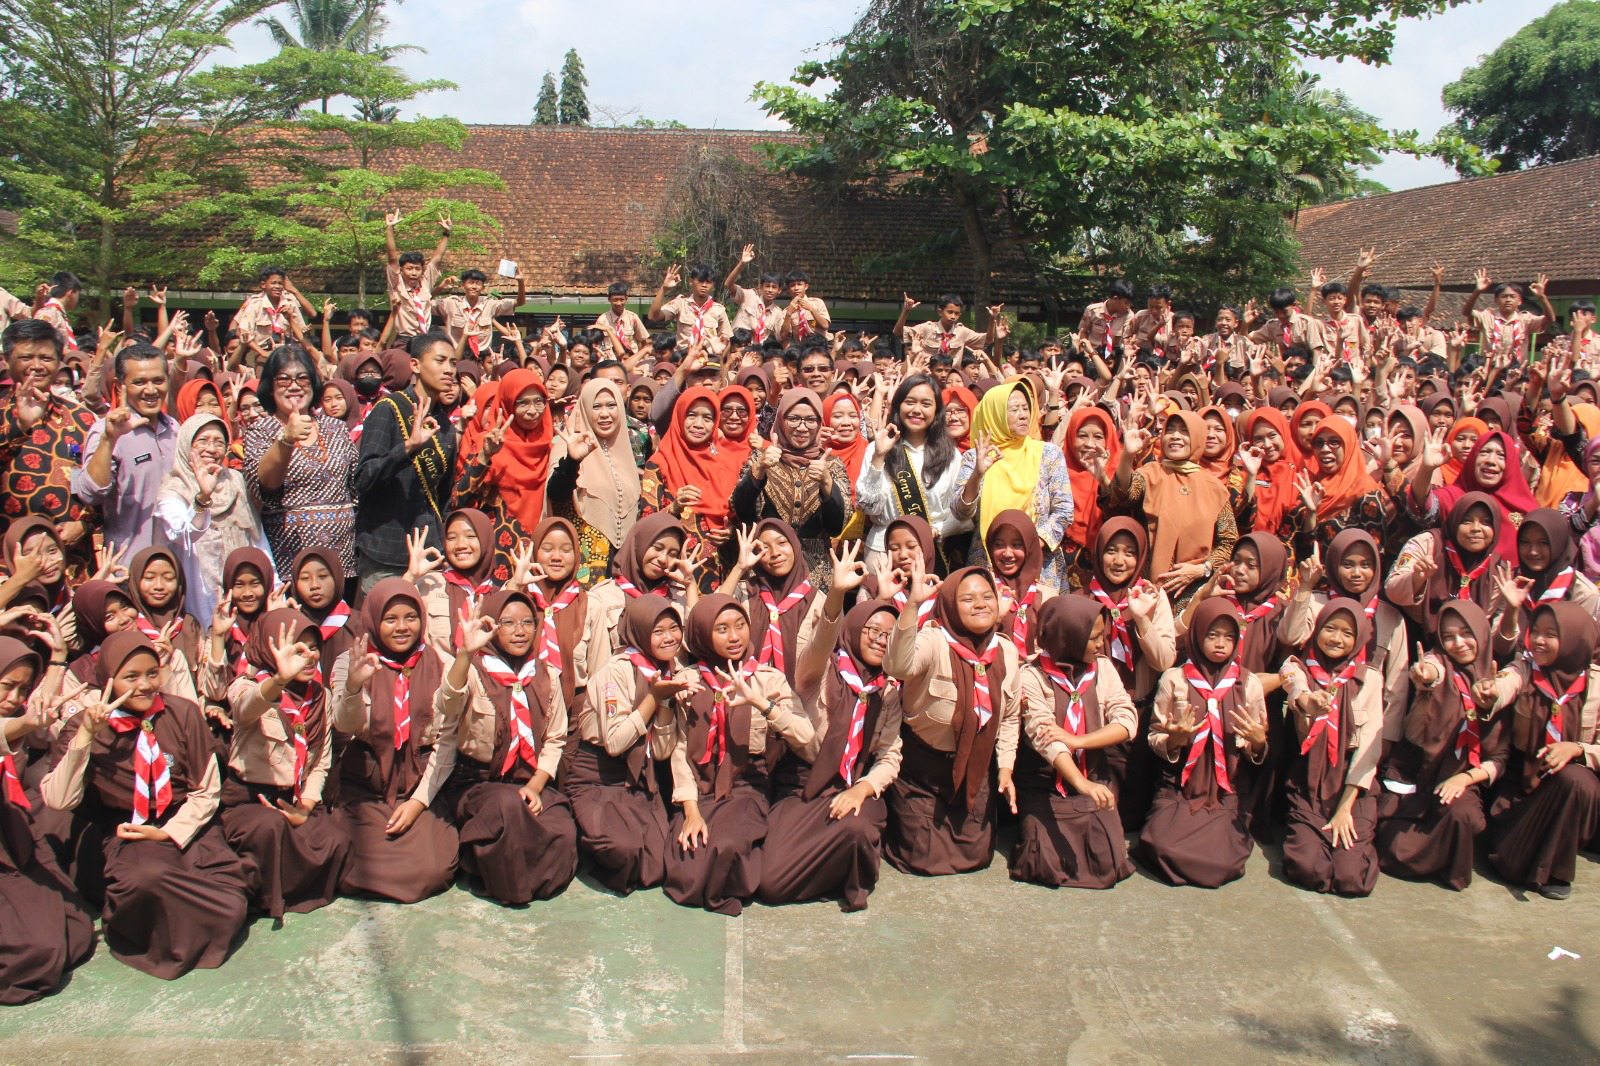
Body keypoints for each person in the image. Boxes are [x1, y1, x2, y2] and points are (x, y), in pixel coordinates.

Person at [41, 631, 251, 978]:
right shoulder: (85, 725)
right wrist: (84, 738)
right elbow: (58, 799)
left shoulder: (181, 713)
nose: (145, 685)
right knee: (147, 878)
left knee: (229, 905)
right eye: (131, 677)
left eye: (152, 673)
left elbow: (206, 788)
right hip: (126, 830)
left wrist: (168, 833)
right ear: (108, 679)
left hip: (185, 824)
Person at [664, 594, 815, 916]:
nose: (734, 637)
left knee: (727, 846)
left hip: (746, 785)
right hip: (700, 787)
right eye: (721, 629)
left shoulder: (767, 678)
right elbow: (678, 751)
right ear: (703, 633)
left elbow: (805, 735)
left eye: (740, 626)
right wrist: (690, 811)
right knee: (686, 872)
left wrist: (761, 703)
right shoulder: (687, 682)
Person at [434, 590, 579, 905]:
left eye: (528, 622)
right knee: (508, 809)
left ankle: (530, 877)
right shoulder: (473, 669)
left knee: (562, 829)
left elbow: (555, 738)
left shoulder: (546, 674)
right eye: (509, 623)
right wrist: (463, 654)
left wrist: (537, 786)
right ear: (492, 627)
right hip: (479, 783)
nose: (520, 631)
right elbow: (447, 703)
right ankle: (507, 883)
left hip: (529, 780)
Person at [882, 560, 1021, 875]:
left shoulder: (1007, 652)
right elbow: (897, 667)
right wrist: (913, 606)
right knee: (921, 858)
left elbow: (1010, 718)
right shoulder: (934, 640)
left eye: (987, 596)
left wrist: (1006, 769)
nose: (980, 605)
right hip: (924, 772)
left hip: (975, 769)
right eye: (968, 599)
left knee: (978, 856)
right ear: (949, 605)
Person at [328, 579, 460, 903]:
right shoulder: (352, 661)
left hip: (420, 782)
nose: (402, 628)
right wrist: (355, 686)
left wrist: (417, 804)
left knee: (433, 870)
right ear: (374, 620)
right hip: (367, 783)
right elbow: (345, 724)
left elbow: (448, 739)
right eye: (390, 619)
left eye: (410, 618)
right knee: (347, 862)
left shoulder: (441, 663)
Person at [1376, 602, 1514, 890]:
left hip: (1461, 776)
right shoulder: (1439, 662)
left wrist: (1463, 778)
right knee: (1393, 844)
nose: (1458, 644)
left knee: (1463, 815)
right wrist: (1425, 677)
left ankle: (1443, 858)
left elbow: (1499, 759)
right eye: (1448, 636)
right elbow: (1431, 670)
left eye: (1466, 633)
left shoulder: (1497, 681)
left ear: (1482, 633)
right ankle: (1434, 851)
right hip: (1415, 771)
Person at [223, 609, 351, 918]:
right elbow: (245, 709)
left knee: (336, 839)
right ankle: (264, 896)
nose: (308, 657)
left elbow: (320, 762)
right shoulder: (246, 686)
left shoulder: (321, 695)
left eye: (313, 648)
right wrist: (279, 679)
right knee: (271, 829)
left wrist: (305, 807)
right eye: (298, 649)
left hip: (295, 796)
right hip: (251, 799)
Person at [1138, 599, 1269, 887]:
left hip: (1226, 791)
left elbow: (1256, 744)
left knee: (1221, 861)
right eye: (1212, 635)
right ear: (1197, 635)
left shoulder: (1248, 684)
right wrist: (1174, 739)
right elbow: (1154, 736)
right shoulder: (1175, 679)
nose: (1221, 644)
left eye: (1228, 636)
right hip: (1180, 787)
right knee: (1162, 847)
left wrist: (1258, 743)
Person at [1010, 595, 1137, 889]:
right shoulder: (1032, 675)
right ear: (1069, 635)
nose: (1100, 644)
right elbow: (1044, 737)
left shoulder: (1103, 669)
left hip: (1094, 775)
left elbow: (1126, 720)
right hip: (1045, 784)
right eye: (1092, 638)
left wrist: (1079, 740)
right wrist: (1081, 784)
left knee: (1108, 862)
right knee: (1044, 863)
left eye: (1102, 636)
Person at [0, 636, 96, 1004]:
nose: (14, 697)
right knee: (35, 956)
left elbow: (36, 716)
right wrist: (24, 723)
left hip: (14, 841)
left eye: (22, 689)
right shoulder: (13, 725)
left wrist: (56, 660)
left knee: (77, 931)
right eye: (7, 686)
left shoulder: (15, 717)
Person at [567, 594, 682, 894]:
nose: (669, 638)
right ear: (640, 631)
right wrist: (653, 699)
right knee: (623, 850)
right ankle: (587, 845)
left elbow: (660, 751)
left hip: (642, 780)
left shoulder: (670, 671)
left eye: (674, 628)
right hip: (598, 778)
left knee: (658, 867)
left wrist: (667, 702)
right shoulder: (615, 671)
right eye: (658, 631)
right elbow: (616, 743)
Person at [1487, 602, 1600, 900]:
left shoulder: (1595, 684)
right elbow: (1505, 684)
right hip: (1519, 794)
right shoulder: (1526, 669)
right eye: (1535, 631)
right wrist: (1490, 694)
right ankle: (1517, 856)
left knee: (1579, 780)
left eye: (1551, 634)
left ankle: (1556, 871)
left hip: (1567, 797)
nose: (1538, 640)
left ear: (1577, 639)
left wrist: (1577, 748)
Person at [1278, 599, 1382, 896]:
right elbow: (1293, 685)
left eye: (1348, 633)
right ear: (1317, 629)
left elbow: (1369, 749)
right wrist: (1309, 701)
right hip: (1310, 778)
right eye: (1330, 629)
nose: (1337, 639)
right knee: (1309, 868)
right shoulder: (1297, 666)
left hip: (1351, 784)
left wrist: (1345, 809)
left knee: (1351, 878)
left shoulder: (1370, 679)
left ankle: (1355, 836)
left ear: (1359, 638)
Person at [353, 333, 461, 592]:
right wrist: (408, 448)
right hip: (385, 550)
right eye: (440, 360)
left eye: (453, 363)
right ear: (415, 365)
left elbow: (443, 497)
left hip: (428, 553)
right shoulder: (388, 409)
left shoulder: (445, 427)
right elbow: (364, 479)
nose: (449, 370)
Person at [242, 345, 359, 580]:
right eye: (283, 380)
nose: (294, 386)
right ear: (270, 386)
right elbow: (265, 484)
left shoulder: (335, 427)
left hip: (341, 557)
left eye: (302, 378)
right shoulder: (261, 431)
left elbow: (354, 486)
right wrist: (286, 440)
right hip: (290, 559)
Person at [0, 320, 101, 581]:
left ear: (58, 362)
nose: (36, 365)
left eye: (45, 357)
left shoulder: (82, 419)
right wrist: (19, 427)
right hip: (8, 567)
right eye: (26, 357)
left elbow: (100, 481)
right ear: (7, 360)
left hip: (72, 564)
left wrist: (85, 523)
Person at [1109, 409, 1237, 611]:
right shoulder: (1150, 474)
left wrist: (1201, 569)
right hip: (1147, 590)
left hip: (1193, 592)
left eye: (1184, 431)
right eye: (1171, 430)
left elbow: (1228, 542)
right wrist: (1127, 456)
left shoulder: (1215, 489)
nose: (1176, 436)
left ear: (1197, 438)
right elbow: (1123, 494)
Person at [953, 381, 1073, 587]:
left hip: (1039, 563)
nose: (1023, 415)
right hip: (988, 563)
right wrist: (977, 475)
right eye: (1014, 409)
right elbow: (960, 512)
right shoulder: (976, 457)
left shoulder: (1048, 454)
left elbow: (1063, 510)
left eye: (1026, 408)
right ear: (995, 413)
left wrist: (1030, 545)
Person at [155, 413, 268, 624]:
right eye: (203, 441)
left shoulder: (236, 481)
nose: (211, 449)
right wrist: (203, 498)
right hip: (201, 593)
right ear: (186, 444)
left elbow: (257, 539)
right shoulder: (174, 488)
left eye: (219, 442)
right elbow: (181, 534)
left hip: (244, 589)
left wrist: (274, 586)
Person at [732, 388, 849, 585]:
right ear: (780, 420)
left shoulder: (831, 464)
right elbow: (741, 513)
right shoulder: (762, 458)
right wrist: (759, 469)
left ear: (820, 423)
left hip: (815, 573)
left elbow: (837, 526)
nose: (802, 428)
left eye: (811, 420)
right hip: (767, 565)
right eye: (793, 418)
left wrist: (827, 482)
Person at [72, 342, 178, 556]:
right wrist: (109, 440)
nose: (151, 390)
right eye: (139, 382)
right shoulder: (106, 431)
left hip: (174, 567)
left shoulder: (175, 429)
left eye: (158, 381)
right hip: (128, 567)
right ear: (120, 386)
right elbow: (89, 493)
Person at [855, 374, 965, 571]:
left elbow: (961, 513)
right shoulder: (877, 448)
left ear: (937, 410)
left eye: (926, 404)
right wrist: (879, 457)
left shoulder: (951, 454)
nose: (917, 410)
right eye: (910, 402)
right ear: (898, 406)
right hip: (884, 554)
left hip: (931, 552)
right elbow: (868, 507)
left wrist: (936, 531)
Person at [545, 378, 642, 587]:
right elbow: (555, 493)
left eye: (611, 405)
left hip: (621, 568)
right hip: (582, 568)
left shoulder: (625, 450)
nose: (605, 414)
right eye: (596, 407)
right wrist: (572, 461)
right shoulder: (569, 444)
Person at [453, 369, 553, 572]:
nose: (533, 410)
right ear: (507, 402)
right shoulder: (489, 441)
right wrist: (484, 457)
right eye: (522, 403)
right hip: (497, 557)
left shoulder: (550, 444)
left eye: (539, 401)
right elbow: (457, 499)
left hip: (542, 554)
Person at [383, 210, 451, 342]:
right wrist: (390, 228)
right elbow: (392, 258)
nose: (414, 273)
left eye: (417, 269)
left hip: (425, 339)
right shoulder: (396, 282)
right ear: (402, 270)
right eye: (409, 269)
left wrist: (446, 233)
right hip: (404, 339)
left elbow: (437, 258)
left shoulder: (425, 281)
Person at [649, 265, 731, 357]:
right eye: (700, 281)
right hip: (683, 357)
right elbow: (653, 316)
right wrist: (664, 289)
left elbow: (728, 339)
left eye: (708, 282)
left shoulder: (718, 309)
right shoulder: (680, 304)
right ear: (691, 282)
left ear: (712, 285)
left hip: (709, 359)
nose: (704, 285)